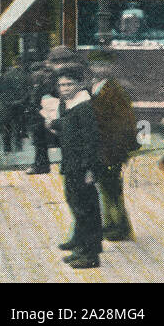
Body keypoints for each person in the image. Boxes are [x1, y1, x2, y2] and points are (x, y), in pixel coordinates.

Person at [49, 62, 103, 269]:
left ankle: (90, 255)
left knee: (86, 209)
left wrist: (90, 169)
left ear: (80, 85)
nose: (64, 89)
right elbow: (69, 130)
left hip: (82, 166)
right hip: (70, 163)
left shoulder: (84, 107)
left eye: (69, 85)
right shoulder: (67, 105)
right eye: (61, 85)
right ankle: (81, 246)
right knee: (76, 204)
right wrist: (55, 126)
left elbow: (91, 140)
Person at [89, 53, 136, 241]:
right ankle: (110, 223)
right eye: (96, 65)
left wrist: (120, 149)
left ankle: (120, 226)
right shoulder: (96, 86)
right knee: (106, 187)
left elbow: (125, 122)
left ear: (111, 68)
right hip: (102, 147)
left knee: (113, 188)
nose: (100, 69)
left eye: (104, 65)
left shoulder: (115, 90)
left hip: (112, 148)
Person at [26, 61, 54, 174]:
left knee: (39, 143)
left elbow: (35, 101)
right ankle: (42, 165)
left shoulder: (39, 84)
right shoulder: (46, 82)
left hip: (39, 117)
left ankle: (40, 166)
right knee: (41, 144)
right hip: (41, 115)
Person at [0, 63, 29, 154]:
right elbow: (26, 90)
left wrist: (6, 102)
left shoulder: (4, 76)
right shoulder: (23, 76)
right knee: (18, 125)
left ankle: (7, 148)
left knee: (7, 127)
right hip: (19, 104)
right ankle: (18, 146)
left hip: (7, 106)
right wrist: (21, 101)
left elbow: (0, 91)